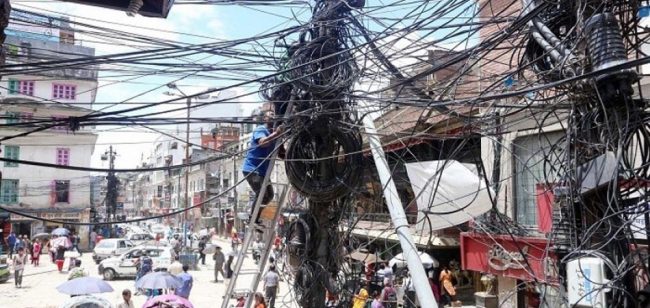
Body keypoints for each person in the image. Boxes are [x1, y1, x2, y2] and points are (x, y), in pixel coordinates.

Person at [241, 109, 284, 225]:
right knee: (261, 193)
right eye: (271, 115)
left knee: (269, 195)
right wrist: (277, 133)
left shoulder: (275, 136)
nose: (273, 116)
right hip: (252, 169)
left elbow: (282, 154)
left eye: (275, 114)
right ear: (265, 119)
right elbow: (263, 142)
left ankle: (255, 219)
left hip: (263, 173)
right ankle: (252, 220)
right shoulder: (261, 130)